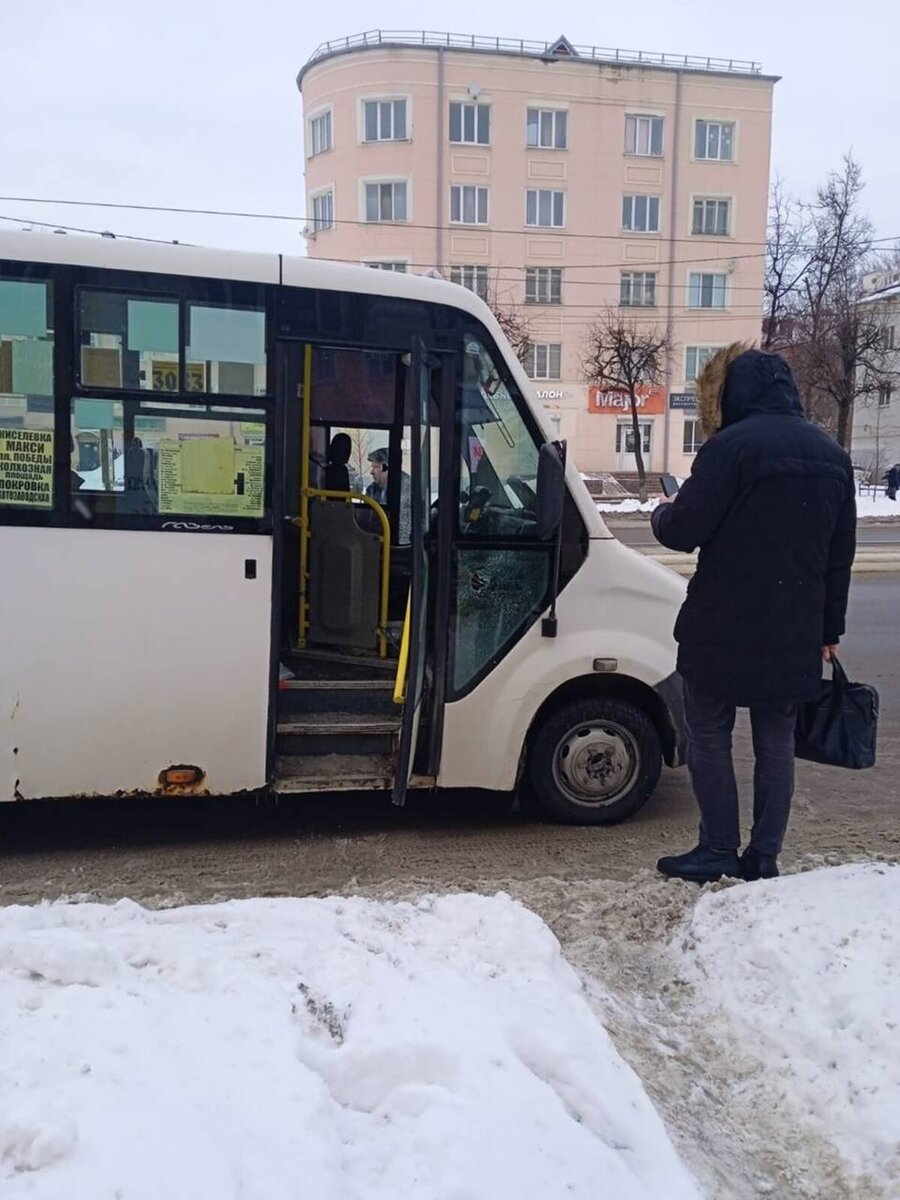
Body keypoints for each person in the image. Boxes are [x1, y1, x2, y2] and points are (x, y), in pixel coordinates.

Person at [652, 344, 856, 884]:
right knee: (776, 742)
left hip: (722, 625)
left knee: (711, 735)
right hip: (795, 629)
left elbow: (683, 530)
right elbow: (841, 557)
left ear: (738, 393)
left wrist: (661, 513)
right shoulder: (833, 456)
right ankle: (764, 856)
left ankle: (718, 848)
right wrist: (828, 630)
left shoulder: (730, 450)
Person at [366, 446, 411, 543]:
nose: (371, 472)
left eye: (376, 467)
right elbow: (368, 518)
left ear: (387, 468)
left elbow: (403, 527)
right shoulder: (372, 489)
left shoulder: (405, 487)